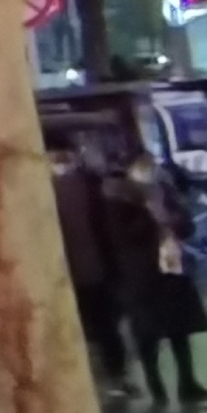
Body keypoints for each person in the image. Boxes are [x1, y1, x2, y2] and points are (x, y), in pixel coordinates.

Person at [128, 159, 207, 409]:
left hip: (173, 270)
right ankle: (156, 387)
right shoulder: (126, 201)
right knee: (148, 336)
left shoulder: (167, 193)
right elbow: (126, 236)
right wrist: (150, 218)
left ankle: (188, 384)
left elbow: (187, 226)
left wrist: (171, 219)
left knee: (180, 330)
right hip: (143, 275)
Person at [53, 145, 130, 392]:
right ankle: (113, 377)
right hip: (87, 271)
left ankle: (109, 377)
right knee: (105, 328)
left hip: (85, 272)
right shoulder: (90, 185)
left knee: (99, 329)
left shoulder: (84, 186)